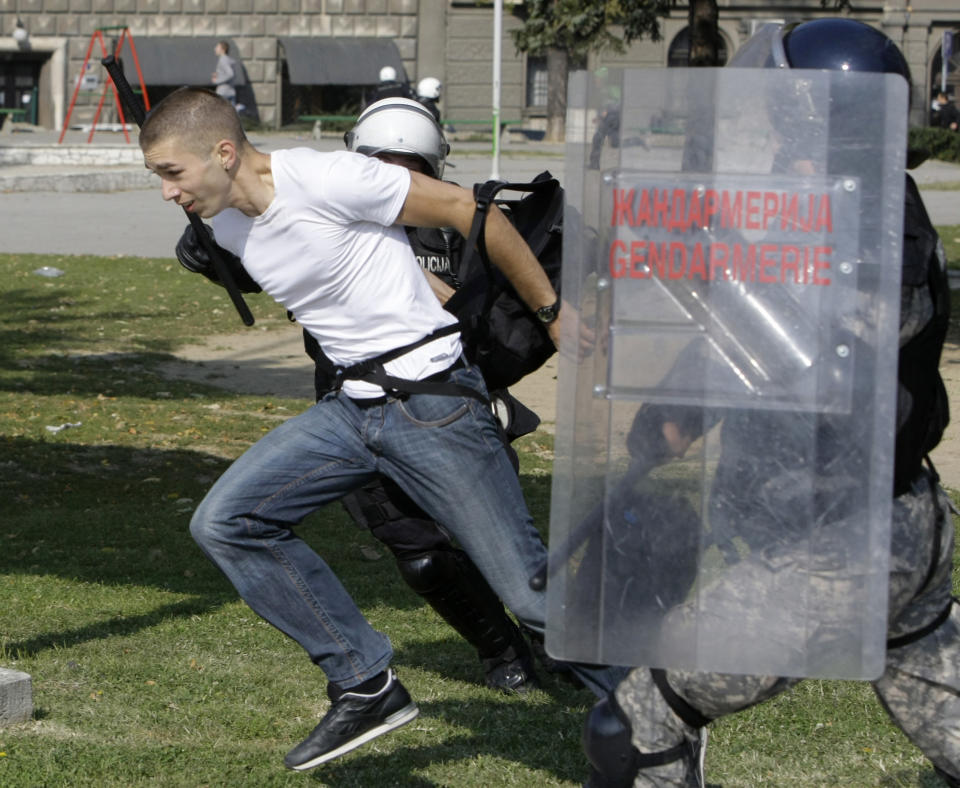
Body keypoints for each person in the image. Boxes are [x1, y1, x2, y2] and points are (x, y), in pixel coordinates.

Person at [139, 86, 624, 773]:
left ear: (223, 152)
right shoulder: (226, 224)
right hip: (352, 410)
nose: (166, 193)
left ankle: (659, 708)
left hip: (432, 406)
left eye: (172, 174)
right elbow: (363, 272)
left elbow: (467, 209)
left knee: (531, 598)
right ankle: (365, 682)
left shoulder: (328, 178)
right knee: (228, 521)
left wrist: (550, 314)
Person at [580, 20, 960, 787]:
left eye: (786, 104)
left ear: (820, 112)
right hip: (883, 528)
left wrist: (708, 262)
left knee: (635, 717)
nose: (771, 116)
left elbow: (819, 364)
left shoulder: (885, 227)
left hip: (845, 546)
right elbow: (755, 337)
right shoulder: (822, 198)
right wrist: (676, 410)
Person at [302, 97, 542, 694]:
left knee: (496, 539)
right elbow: (251, 251)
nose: (392, 178)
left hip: (449, 406)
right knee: (422, 553)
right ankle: (500, 649)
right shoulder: (324, 217)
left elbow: (490, 311)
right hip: (356, 407)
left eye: (408, 166)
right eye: (379, 164)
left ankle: (553, 634)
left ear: (433, 168)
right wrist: (205, 253)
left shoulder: (459, 223)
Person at [211, 41, 237, 108]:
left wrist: (217, 80)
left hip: (223, 92)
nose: (215, 49)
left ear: (223, 49)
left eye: (217, 47)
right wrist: (218, 74)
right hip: (230, 91)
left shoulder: (223, 59)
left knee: (217, 115)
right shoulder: (229, 59)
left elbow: (230, 74)